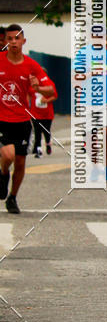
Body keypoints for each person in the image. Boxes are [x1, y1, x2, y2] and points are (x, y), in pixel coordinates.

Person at [0, 24, 54, 213]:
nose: (13, 42)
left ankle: (12, 198)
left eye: (17, 38)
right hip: (2, 119)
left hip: (22, 121)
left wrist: (38, 87)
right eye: (10, 39)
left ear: (24, 41)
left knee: (20, 162)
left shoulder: (31, 65)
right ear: (5, 41)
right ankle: (3, 174)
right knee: (8, 155)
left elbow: (51, 90)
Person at [74, 39, 107, 183]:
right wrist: (91, 74)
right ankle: (95, 166)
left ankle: (106, 166)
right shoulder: (83, 52)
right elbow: (75, 77)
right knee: (89, 137)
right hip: (88, 101)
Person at [30, 67, 57, 157]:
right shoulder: (32, 85)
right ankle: (38, 151)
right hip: (35, 113)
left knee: (46, 131)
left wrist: (46, 100)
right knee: (37, 132)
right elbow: (28, 95)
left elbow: (55, 96)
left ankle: (48, 144)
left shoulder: (49, 85)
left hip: (47, 113)